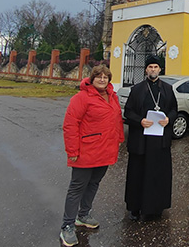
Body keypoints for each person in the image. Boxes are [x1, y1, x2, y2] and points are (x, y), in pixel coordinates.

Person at [59, 64, 124, 247]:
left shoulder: (112, 96)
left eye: (105, 77)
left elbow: (117, 119)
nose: (102, 79)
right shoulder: (81, 98)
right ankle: (67, 225)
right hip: (86, 151)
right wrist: (72, 151)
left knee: (94, 183)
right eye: (99, 77)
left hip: (105, 150)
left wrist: (119, 139)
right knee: (77, 187)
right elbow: (70, 125)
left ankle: (83, 215)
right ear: (92, 79)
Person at [123, 55, 178, 221]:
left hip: (159, 142)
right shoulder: (137, 89)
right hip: (141, 141)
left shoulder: (168, 89)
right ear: (146, 69)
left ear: (160, 69)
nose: (153, 69)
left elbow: (174, 109)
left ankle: (156, 207)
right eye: (150, 67)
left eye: (156, 67)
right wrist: (140, 121)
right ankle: (135, 207)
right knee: (138, 175)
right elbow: (128, 112)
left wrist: (169, 119)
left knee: (157, 175)